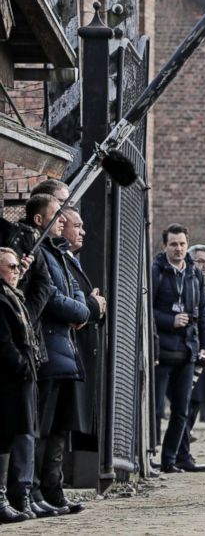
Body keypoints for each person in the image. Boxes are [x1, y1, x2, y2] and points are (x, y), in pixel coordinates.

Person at [30, 194, 89, 516]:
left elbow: (75, 293)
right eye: (60, 218)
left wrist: (81, 309)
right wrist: (84, 310)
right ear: (42, 220)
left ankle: (54, 489)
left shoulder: (61, 255)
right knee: (42, 426)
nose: (64, 225)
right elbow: (54, 298)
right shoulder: (39, 252)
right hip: (50, 352)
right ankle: (34, 490)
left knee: (60, 427)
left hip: (65, 351)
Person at [151, 224, 205, 474]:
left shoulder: (194, 274)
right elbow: (145, 309)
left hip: (187, 351)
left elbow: (204, 313)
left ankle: (170, 460)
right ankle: (149, 456)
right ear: (165, 245)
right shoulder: (156, 271)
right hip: (162, 352)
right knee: (155, 409)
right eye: (173, 244)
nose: (178, 249)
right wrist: (169, 320)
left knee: (181, 409)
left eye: (182, 244)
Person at [0, 248, 44, 523]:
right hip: (9, 380)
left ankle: (8, 495)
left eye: (18, 266)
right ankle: (4, 496)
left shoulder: (14, 296)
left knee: (14, 435)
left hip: (20, 379)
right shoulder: (3, 301)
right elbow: (4, 342)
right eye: (11, 267)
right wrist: (23, 366)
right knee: (4, 436)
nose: (16, 271)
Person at [60, 208, 107, 453]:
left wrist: (93, 307)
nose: (83, 231)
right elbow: (62, 301)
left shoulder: (71, 259)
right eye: (76, 226)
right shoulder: (59, 259)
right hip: (66, 349)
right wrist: (91, 305)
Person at [174, 244, 205, 472]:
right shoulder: (187, 284)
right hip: (189, 353)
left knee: (194, 405)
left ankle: (183, 453)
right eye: (201, 262)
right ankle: (180, 456)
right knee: (185, 407)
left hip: (201, 354)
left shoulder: (200, 286)